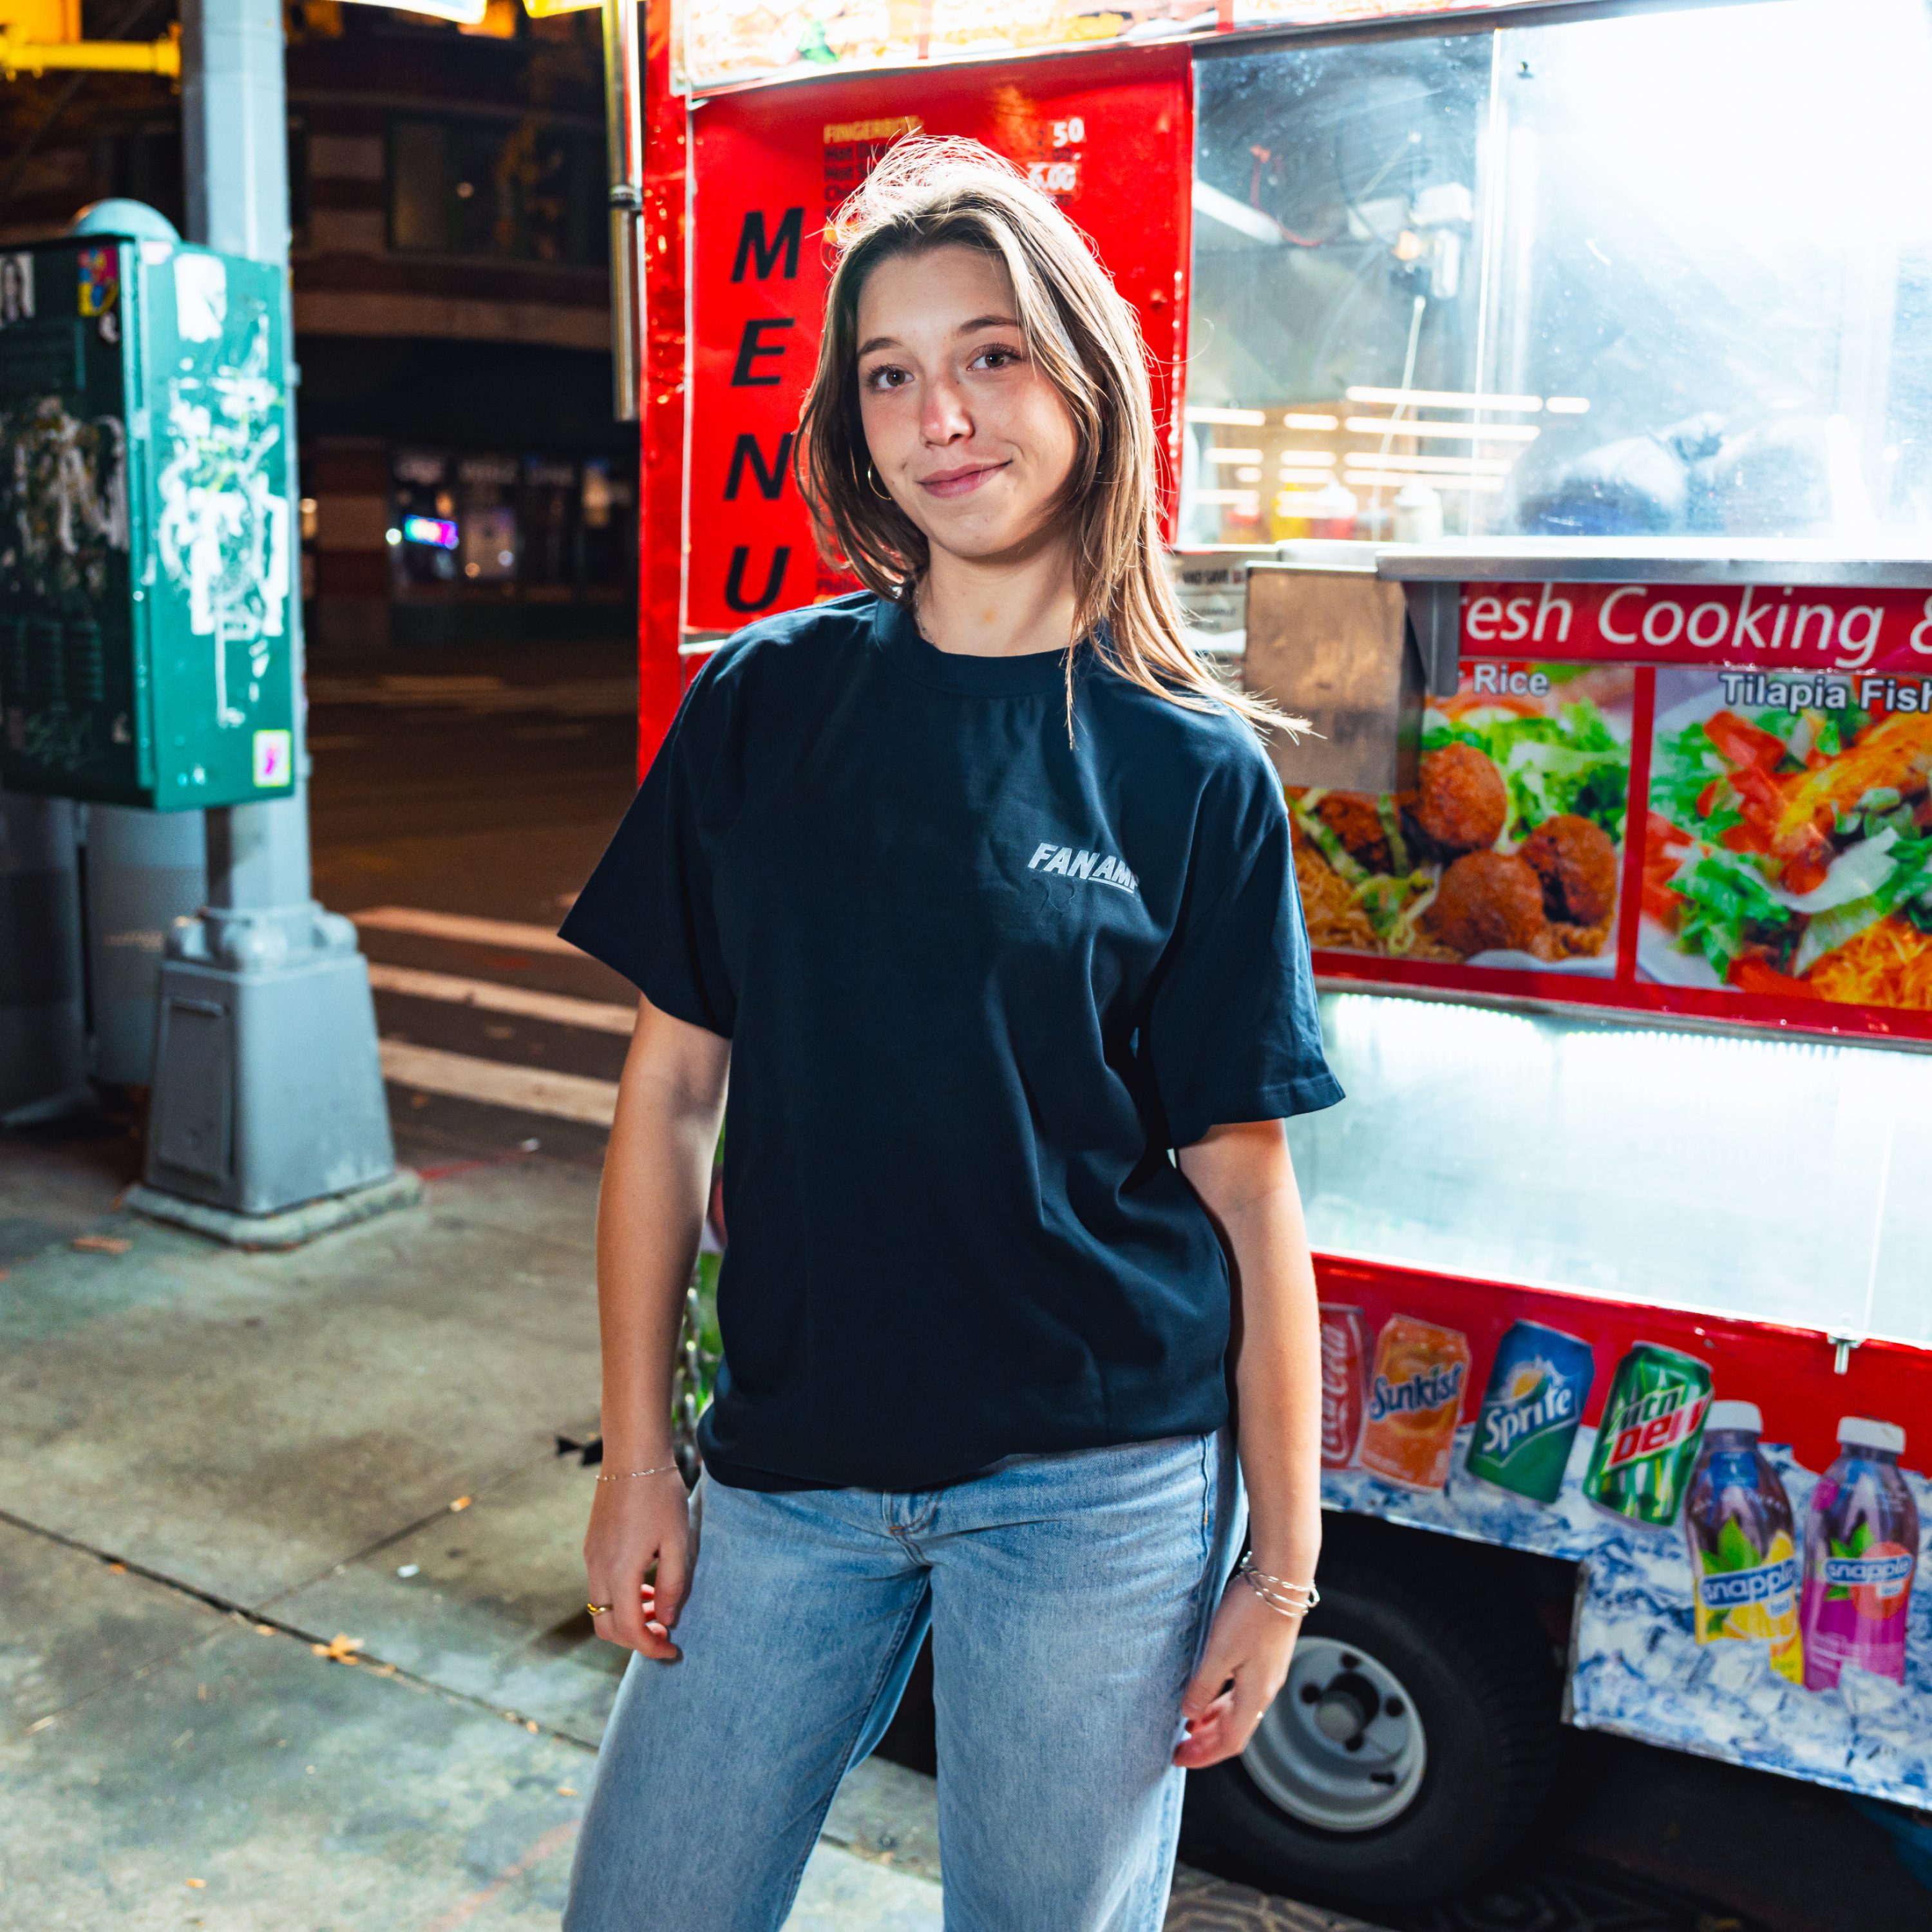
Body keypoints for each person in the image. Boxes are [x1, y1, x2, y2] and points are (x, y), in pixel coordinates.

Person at [558, 138, 1341, 1932]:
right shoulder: (768, 701)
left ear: (1082, 374)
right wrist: (641, 1454)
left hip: (1096, 1490)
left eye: (990, 353)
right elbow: (673, 1096)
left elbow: (1250, 1198)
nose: (943, 416)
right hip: (786, 1467)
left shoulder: (1190, 772)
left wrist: (1281, 1573)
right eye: (891, 373)